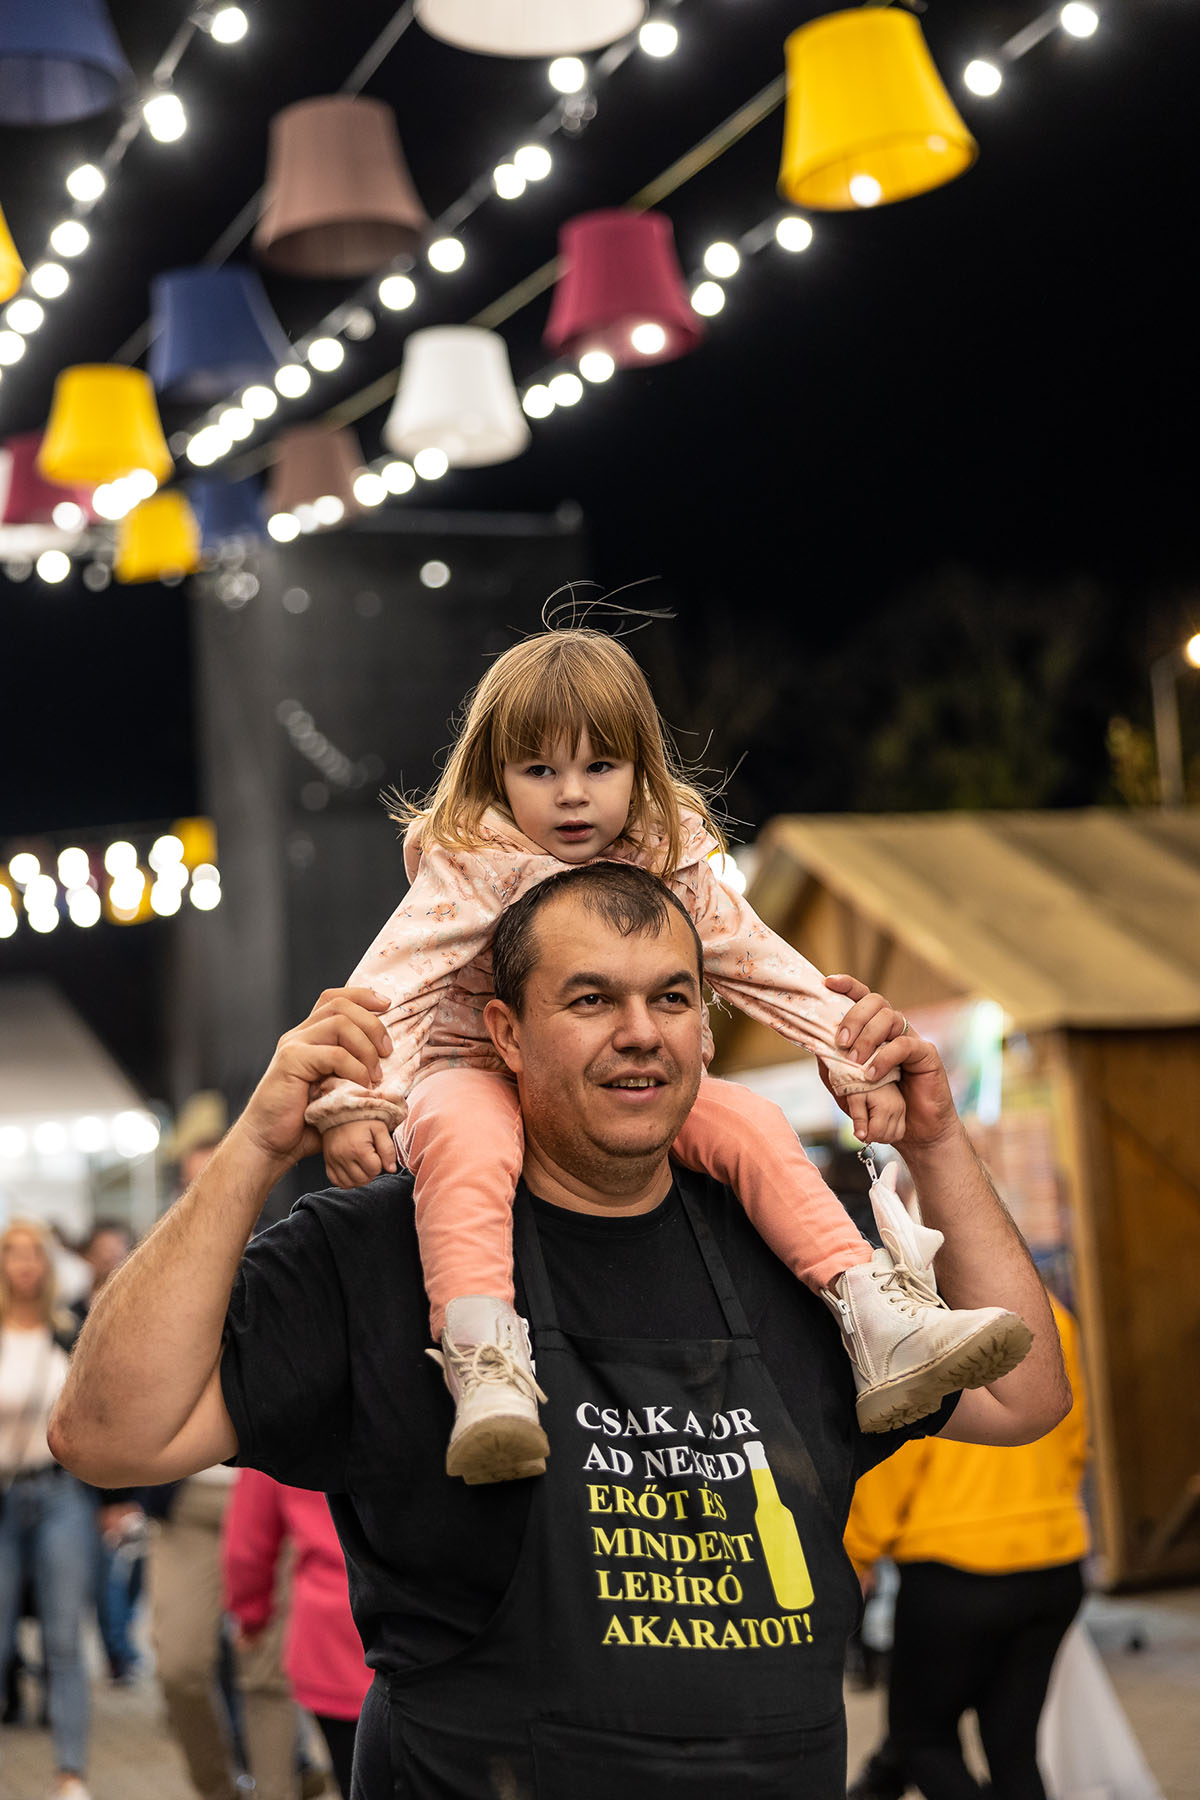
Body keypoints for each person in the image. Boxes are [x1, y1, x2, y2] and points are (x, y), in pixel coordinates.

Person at [49, 863, 1070, 1800]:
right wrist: (252, 1150)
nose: (641, 1032)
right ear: (502, 1033)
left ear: (706, 1030)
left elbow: (1024, 1400)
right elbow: (107, 1436)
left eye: (672, 998)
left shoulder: (796, 1250)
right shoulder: (373, 1254)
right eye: (590, 1000)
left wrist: (937, 1141)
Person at [305, 626, 1030, 1481]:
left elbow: (759, 962)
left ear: (639, 767)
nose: (572, 796)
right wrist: (359, 1103)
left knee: (752, 1119)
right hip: (471, 1069)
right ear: (496, 777)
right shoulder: (473, 865)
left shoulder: (667, 861)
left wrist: (855, 1059)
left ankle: (873, 1314)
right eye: (539, 771)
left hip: (616, 1087)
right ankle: (485, 1358)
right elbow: (393, 984)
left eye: (599, 767)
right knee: (465, 1137)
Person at [845, 1292, 1090, 1800]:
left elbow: (896, 1453)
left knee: (921, 1739)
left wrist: (857, 1554)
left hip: (954, 1576)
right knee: (1013, 1748)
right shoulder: (1049, 1311)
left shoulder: (919, 1315)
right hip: (1054, 1563)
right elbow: (1073, 1427)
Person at [0, 1218, 96, 1800]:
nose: (25, 1264)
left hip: (61, 1495)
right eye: (14, 1254)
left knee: (63, 1638)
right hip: (3, 1497)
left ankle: (71, 1774)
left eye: (34, 1254)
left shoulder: (69, 1331)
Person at [222, 1469, 372, 1798]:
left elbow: (247, 1544)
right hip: (437, 1633)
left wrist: (250, 1615)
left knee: (354, 1777)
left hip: (334, 1636)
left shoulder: (285, 1433)